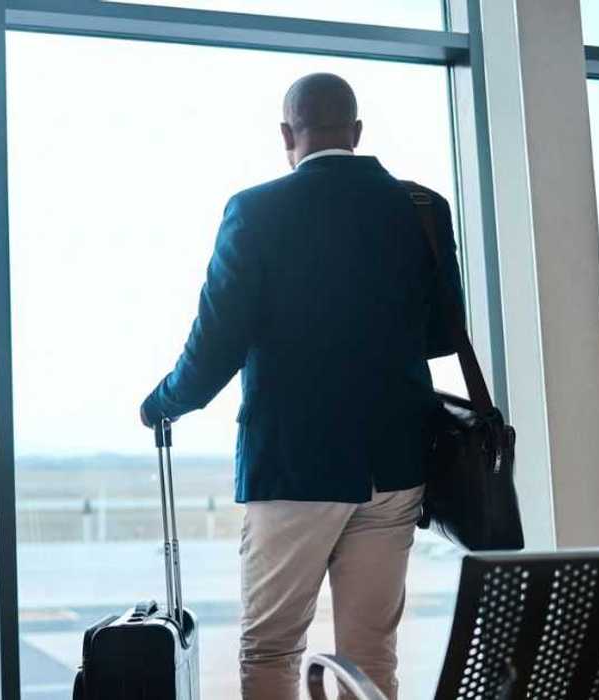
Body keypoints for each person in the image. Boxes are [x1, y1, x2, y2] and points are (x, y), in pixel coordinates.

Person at [139, 73, 465, 700]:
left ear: (287, 135)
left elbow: (216, 343)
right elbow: (441, 337)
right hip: (395, 464)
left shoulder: (256, 210)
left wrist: (164, 402)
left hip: (295, 468)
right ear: (358, 132)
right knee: (371, 655)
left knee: (271, 649)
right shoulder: (422, 208)